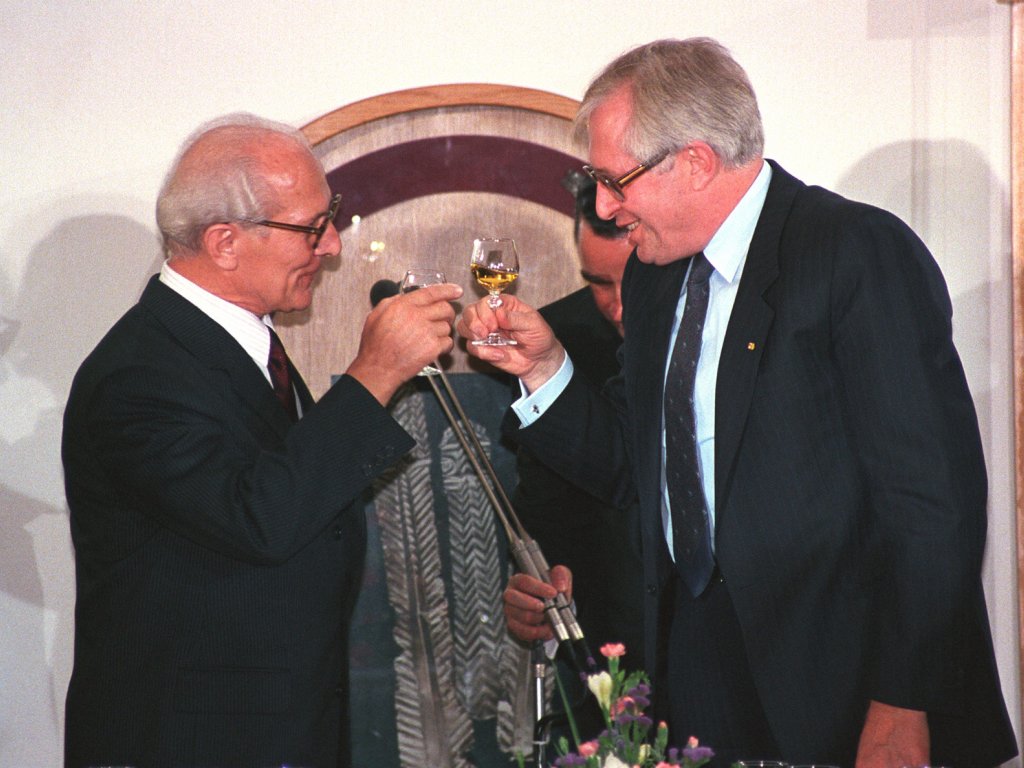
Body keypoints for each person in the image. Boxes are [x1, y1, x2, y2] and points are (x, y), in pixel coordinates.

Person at [460, 38, 1017, 768]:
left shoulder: (851, 252)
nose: (602, 206)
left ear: (693, 161)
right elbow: (639, 463)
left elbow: (932, 503)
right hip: (700, 676)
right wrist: (546, 367)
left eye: (613, 180)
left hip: (849, 690)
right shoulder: (659, 278)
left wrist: (901, 704)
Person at [61, 114, 462, 768]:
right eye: (311, 227)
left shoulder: (242, 345)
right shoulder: (138, 376)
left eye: (328, 217)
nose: (330, 245)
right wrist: (374, 375)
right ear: (224, 243)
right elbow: (260, 517)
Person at [512, 173, 642, 738]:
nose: (617, 307)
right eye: (597, 282)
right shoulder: (558, 336)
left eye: (635, 281)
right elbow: (541, 513)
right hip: (608, 665)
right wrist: (531, 590)